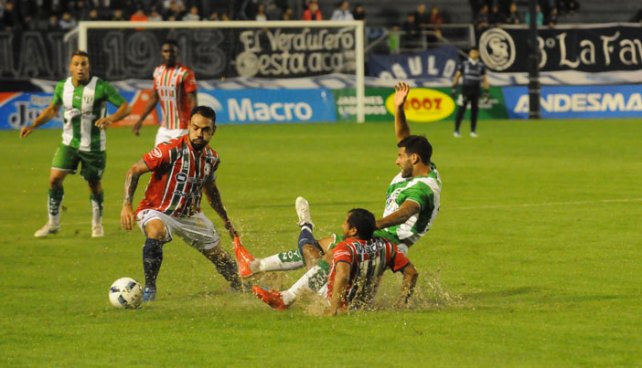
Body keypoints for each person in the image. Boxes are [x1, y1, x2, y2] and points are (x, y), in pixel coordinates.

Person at [236, 82, 442, 309]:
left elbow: (407, 211)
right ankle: (256, 266)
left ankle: (287, 296)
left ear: (414, 159)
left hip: (388, 241)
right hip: (381, 234)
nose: (396, 160)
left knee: (328, 254)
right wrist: (399, 108)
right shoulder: (420, 166)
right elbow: (405, 139)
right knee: (319, 246)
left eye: (400, 156)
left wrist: (372, 225)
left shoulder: (423, 187)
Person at [120, 106, 243, 301]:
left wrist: (226, 220)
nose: (199, 134)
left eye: (205, 130)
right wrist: (127, 204)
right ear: (188, 126)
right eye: (195, 128)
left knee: (217, 254)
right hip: (157, 209)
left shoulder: (212, 159)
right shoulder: (170, 150)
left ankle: (240, 285)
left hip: (190, 215)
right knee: (156, 232)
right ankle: (150, 289)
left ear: (213, 131)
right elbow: (134, 170)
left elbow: (211, 191)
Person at [19, 50, 131, 238]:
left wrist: (111, 118)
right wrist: (34, 125)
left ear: (89, 66)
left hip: (94, 146)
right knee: (54, 179)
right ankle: (53, 223)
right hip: (69, 143)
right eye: (76, 64)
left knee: (94, 184)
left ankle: (97, 224)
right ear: (70, 67)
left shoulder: (101, 87)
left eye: (84, 64)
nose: (80, 67)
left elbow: (125, 107)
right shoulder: (63, 87)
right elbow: (52, 108)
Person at [254, 208, 418, 314]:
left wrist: (333, 308)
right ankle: (286, 294)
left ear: (353, 230)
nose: (342, 225)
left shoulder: (345, 248)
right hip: (364, 303)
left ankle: (305, 225)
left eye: (345, 223)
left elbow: (343, 276)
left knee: (307, 248)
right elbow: (412, 273)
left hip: (338, 301)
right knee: (321, 253)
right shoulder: (387, 246)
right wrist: (402, 302)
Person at [132, 40, 198, 146]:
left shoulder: (185, 73)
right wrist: (141, 119)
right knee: (158, 160)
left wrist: (195, 124)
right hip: (164, 128)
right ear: (161, 53)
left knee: (177, 161)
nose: (168, 54)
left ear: (177, 53)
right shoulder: (158, 72)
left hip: (182, 128)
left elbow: (192, 101)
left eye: (171, 51)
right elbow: (154, 98)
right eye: (165, 51)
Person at [451, 48, 489, 138]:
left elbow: (484, 79)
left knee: (475, 111)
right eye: (472, 52)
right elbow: (457, 76)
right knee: (461, 110)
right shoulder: (464, 64)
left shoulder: (481, 66)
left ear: (478, 54)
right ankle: (456, 130)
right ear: (469, 54)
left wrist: (486, 92)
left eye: (476, 52)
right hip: (465, 90)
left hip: (476, 90)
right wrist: (453, 89)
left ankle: (473, 131)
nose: (474, 54)